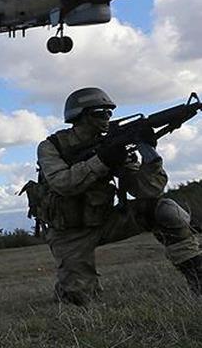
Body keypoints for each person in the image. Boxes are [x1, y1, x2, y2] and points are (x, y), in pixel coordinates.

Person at [37, 87, 202, 306]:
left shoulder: (113, 145)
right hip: (69, 233)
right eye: (99, 112)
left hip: (106, 221)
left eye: (109, 113)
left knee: (166, 210)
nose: (106, 118)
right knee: (79, 301)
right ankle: (67, 289)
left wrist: (150, 156)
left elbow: (146, 191)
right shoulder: (52, 146)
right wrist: (102, 161)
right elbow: (62, 183)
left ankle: (198, 279)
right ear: (80, 116)